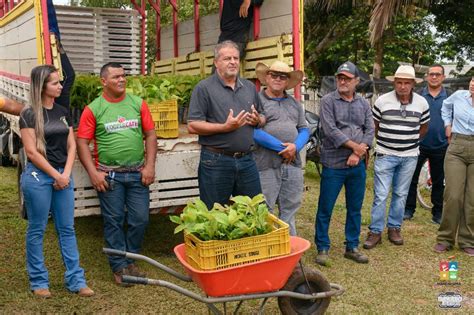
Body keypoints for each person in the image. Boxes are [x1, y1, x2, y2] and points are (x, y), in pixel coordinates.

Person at [76, 62, 157, 285]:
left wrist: (149, 166)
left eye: (123, 76)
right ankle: (120, 268)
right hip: (109, 176)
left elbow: (150, 135)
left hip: (138, 173)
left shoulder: (138, 104)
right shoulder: (93, 108)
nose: (122, 80)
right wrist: (93, 173)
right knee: (114, 221)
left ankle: (131, 258)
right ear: (103, 81)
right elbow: (82, 143)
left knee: (140, 219)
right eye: (116, 77)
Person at [19, 65, 93, 298]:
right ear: (42, 86)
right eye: (55, 83)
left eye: (59, 82)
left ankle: (76, 280)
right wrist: (56, 175)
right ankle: (39, 281)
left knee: (67, 229)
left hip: (63, 175)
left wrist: (66, 173)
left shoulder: (62, 110)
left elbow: (71, 145)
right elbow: (31, 152)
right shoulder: (29, 114)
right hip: (39, 177)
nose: (60, 86)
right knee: (37, 229)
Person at [188, 40, 265, 209]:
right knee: (214, 213)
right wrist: (225, 127)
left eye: (236, 58)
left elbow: (263, 116)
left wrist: (257, 120)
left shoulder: (249, 87)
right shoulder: (204, 88)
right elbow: (193, 125)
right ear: (216, 63)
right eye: (227, 58)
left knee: (252, 210)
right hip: (216, 161)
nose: (233, 62)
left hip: (247, 159)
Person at [313, 61, 374, 266]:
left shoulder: (364, 104)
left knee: (355, 207)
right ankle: (322, 247)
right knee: (326, 207)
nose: (342, 81)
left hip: (356, 163)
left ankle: (352, 246)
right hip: (333, 163)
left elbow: (370, 130)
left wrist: (358, 151)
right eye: (340, 77)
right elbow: (330, 130)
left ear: (357, 81)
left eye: (347, 78)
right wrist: (355, 148)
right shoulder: (328, 101)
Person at [364, 65, 429, 249]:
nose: (402, 86)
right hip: (385, 154)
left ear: (412, 84)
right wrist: (387, 141)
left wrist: (408, 141)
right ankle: (375, 231)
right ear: (394, 83)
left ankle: (394, 228)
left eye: (406, 83)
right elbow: (374, 126)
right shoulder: (382, 101)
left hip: (409, 156)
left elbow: (424, 127)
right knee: (381, 195)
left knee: (401, 194)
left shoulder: (422, 103)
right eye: (399, 82)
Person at [253, 60, 308, 236]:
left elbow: (304, 129)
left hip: (292, 165)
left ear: (287, 81)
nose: (278, 79)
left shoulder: (294, 103)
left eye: (282, 76)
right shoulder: (256, 101)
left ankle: (290, 257)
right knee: (265, 210)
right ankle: (267, 256)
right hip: (265, 165)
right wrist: (282, 148)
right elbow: (253, 131)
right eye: (274, 75)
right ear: (267, 78)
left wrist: (296, 146)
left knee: (289, 211)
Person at [404, 64, 449, 224]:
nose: (434, 77)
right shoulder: (417, 96)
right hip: (418, 144)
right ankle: (408, 210)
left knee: (438, 181)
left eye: (438, 74)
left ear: (443, 77)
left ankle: (437, 213)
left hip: (441, 145)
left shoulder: (450, 97)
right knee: (411, 178)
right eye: (431, 74)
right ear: (427, 77)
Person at [434, 77, 474, 256]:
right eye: (473, 80)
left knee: (471, 199)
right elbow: (445, 106)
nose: (473, 84)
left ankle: (467, 240)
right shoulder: (459, 96)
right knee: (453, 195)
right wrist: (447, 124)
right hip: (456, 147)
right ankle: (445, 238)